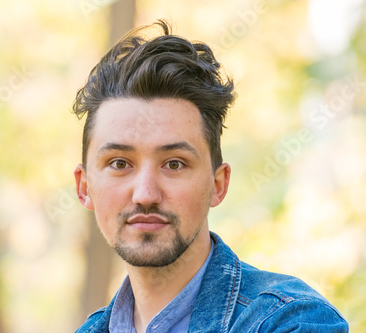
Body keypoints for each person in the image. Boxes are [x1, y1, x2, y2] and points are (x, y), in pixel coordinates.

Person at [72, 20, 348, 333]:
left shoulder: (289, 321)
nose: (145, 194)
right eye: (120, 163)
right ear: (84, 188)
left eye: (174, 164)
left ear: (218, 185)